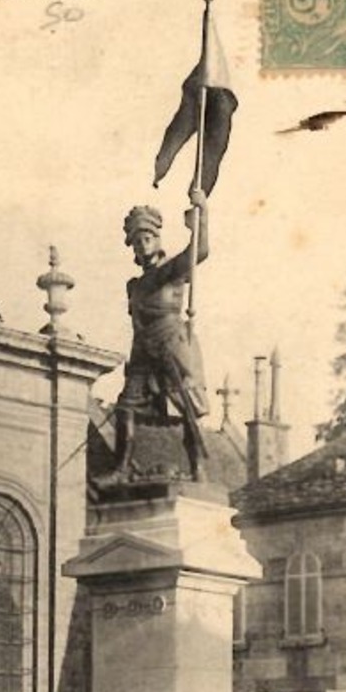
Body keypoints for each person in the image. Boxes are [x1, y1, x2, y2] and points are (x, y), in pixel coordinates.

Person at [95, 190, 210, 487]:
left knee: (185, 406)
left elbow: (199, 251)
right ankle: (122, 468)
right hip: (142, 350)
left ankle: (198, 468)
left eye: (146, 238)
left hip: (171, 343)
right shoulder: (133, 285)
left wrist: (201, 217)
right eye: (136, 241)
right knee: (126, 408)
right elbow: (137, 322)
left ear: (157, 239)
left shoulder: (170, 271)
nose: (142, 245)